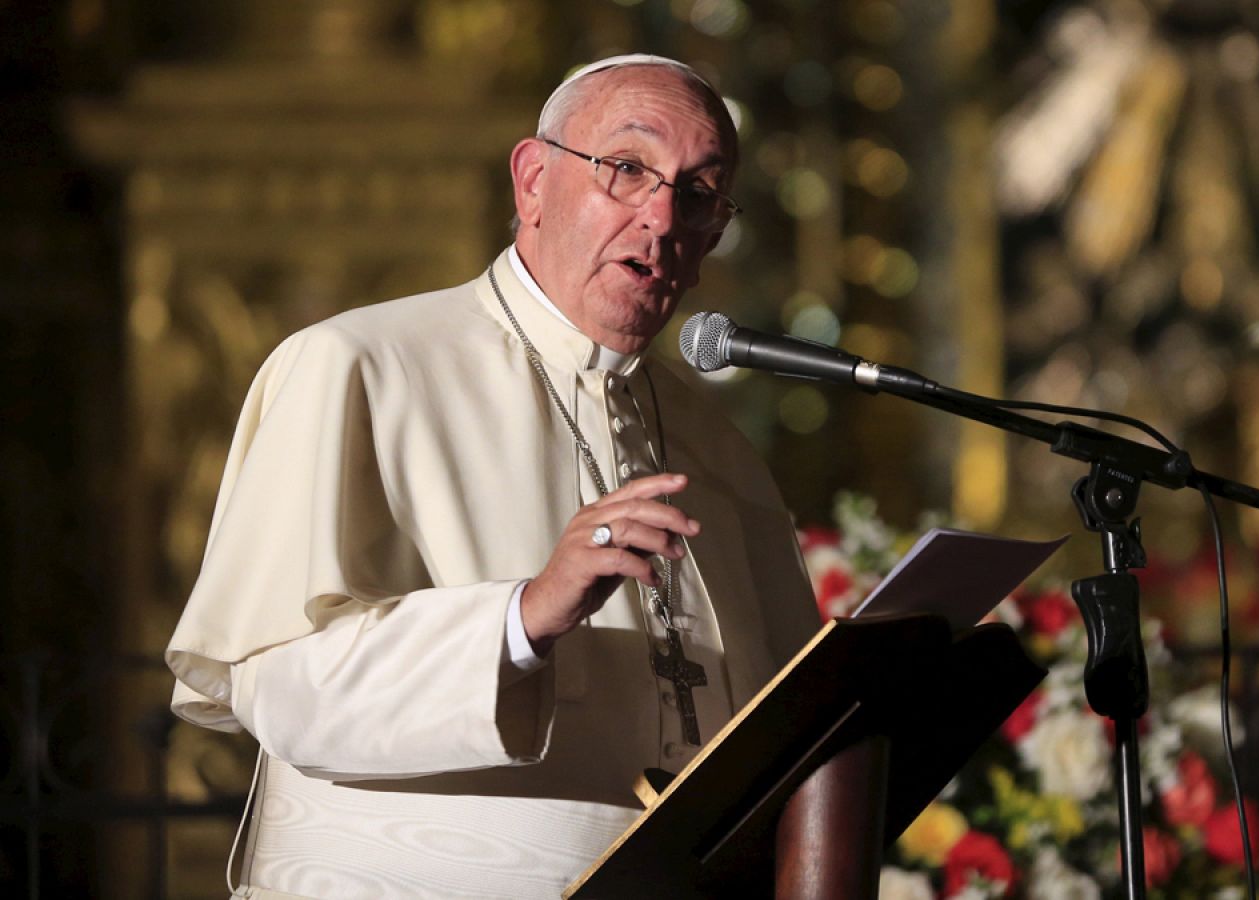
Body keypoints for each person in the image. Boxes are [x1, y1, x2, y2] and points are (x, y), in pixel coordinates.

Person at [165, 54, 821, 898]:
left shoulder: (717, 448)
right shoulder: (357, 365)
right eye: (628, 168)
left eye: (699, 193)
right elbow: (280, 687)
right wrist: (524, 616)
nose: (662, 217)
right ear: (534, 181)